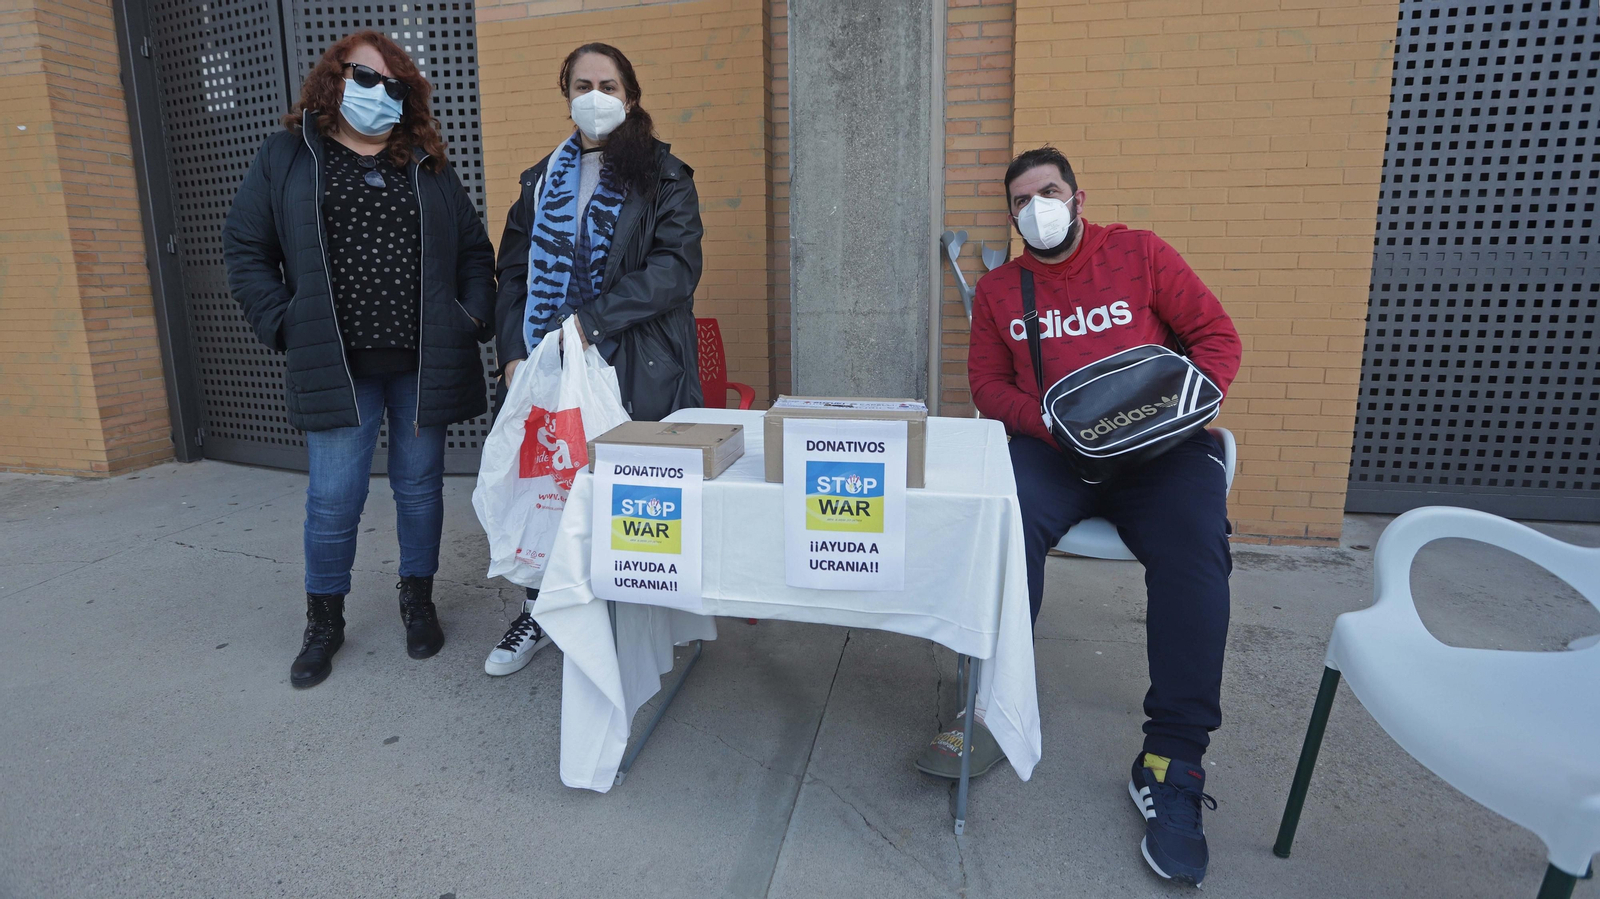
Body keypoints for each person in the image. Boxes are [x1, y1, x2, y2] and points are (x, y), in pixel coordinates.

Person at [918, 147, 1241, 886]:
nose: (1039, 206)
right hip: (1057, 449)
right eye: (1023, 199)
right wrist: (1050, 426)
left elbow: (1218, 339)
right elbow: (985, 384)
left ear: (1078, 195)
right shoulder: (1003, 290)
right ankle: (995, 705)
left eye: (1050, 190)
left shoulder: (1141, 254)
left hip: (1161, 451)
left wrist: (1184, 404)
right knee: (1002, 521)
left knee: (1196, 547)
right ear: (1013, 216)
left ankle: (1171, 758)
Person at [223, 31, 497, 689]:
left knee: (420, 487)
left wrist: (470, 316)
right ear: (333, 79)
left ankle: (417, 598)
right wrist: (283, 321)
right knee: (334, 498)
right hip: (337, 362)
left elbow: (473, 252)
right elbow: (245, 248)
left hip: (421, 360)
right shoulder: (289, 156)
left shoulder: (427, 165)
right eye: (364, 77)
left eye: (393, 85)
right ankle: (324, 620)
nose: (379, 93)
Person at [484, 42, 705, 677]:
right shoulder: (539, 179)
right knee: (546, 491)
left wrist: (590, 323)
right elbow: (514, 272)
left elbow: (676, 268)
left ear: (629, 96)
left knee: (624, 499)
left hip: (634, 362)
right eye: (583, 84)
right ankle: (541, 609)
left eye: (609, 85)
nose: (596, 96)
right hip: (547, 366)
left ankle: (635, 618)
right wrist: (512, 354)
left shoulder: (664, 175)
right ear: (567, 94)